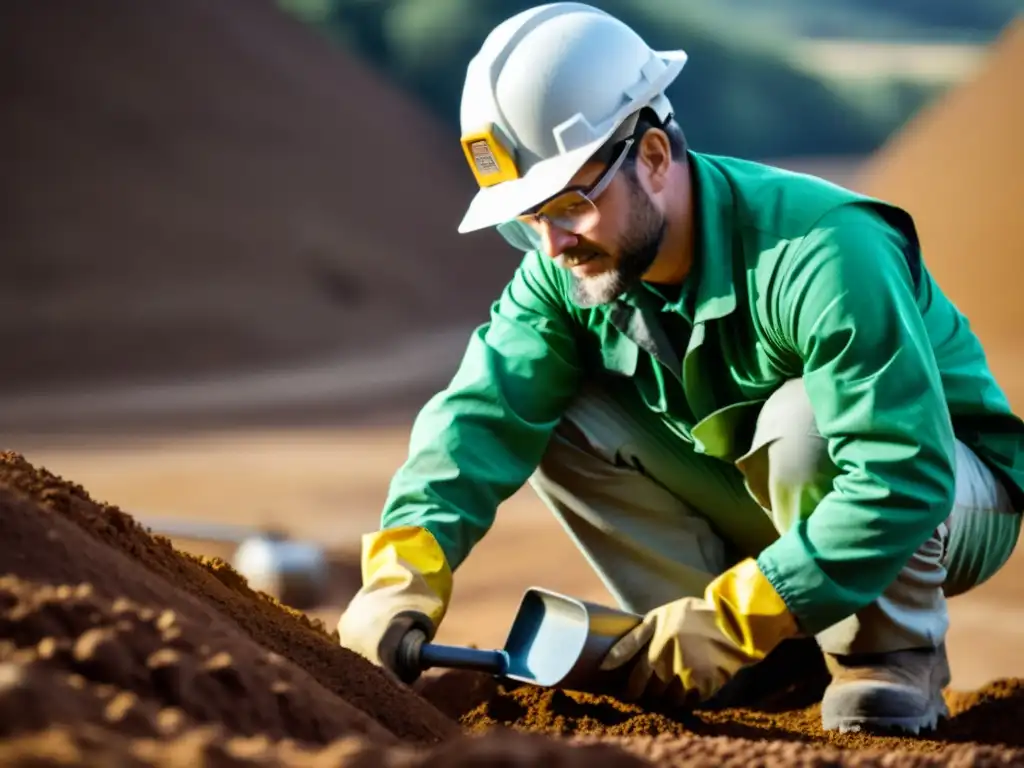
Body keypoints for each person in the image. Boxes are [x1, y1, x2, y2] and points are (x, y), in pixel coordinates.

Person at [337, 2, 1024, 734]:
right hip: (776, 498)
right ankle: (756, 668)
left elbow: (900, 471)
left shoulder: (823, 249)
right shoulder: (565, 268)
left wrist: (731, 618)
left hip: (943, 492)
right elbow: (479, 414)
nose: (554, 242)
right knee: (559, 411)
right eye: (529, 218)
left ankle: (883, 662)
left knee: (803, 424)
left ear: (656, 157)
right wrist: (403, 566)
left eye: (570, 204)